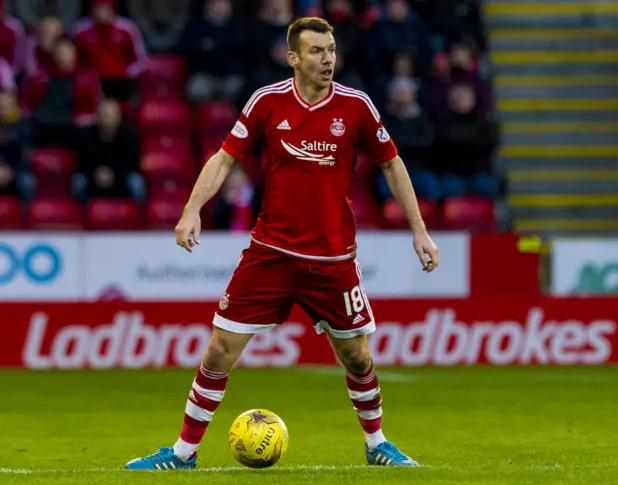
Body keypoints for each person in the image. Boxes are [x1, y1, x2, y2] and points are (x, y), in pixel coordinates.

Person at [125, 17, 439, 471]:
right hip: (270, 254)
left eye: (331, 50)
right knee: (218, 349)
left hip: (332, 259)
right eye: (316, 51)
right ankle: (182, 453)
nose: (327, 59)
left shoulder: (357, 107)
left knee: (356, 355)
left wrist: (419, 229)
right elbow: (225, 157)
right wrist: (192, 208)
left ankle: (377, 446)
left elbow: (392, 165)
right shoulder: (267, 102)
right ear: (293, 57)